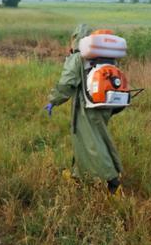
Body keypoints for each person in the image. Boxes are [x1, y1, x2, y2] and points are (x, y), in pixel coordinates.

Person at [44, 24, 123, 194]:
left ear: (76, 38)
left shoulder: (78, 57)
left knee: (93, 143)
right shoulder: (103, 56)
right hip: (105, 104)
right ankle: (77, 175)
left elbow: (67, 83)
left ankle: (112, 181)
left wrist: (53, 100)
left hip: (88, 108)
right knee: (90, 139)